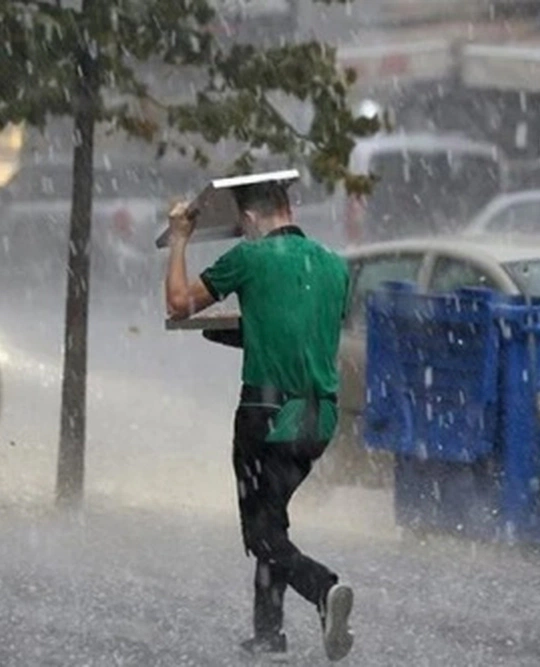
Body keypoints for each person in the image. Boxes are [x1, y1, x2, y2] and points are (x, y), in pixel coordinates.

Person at [164, 178, 355, 662]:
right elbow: (301, 331)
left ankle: (322, 588)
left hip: (267, 415)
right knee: (272, 519)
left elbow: (178, 303)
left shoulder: (248, 259)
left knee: (261, 534)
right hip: (319, 419)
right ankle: (268, 634)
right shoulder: (334, 266)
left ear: (248, 219)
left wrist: (181, 238)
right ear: (288, 206)